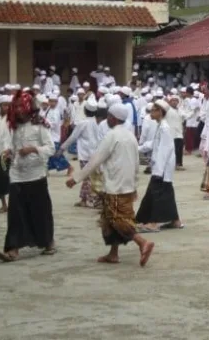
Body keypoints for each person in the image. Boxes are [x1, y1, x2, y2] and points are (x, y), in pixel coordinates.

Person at [66, 103, 154, 266]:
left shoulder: (111, 136)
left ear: (112, 118)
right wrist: (135, 185)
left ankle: (142, 242)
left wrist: (76, 178)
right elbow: (136, 164)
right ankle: (113, 254)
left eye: (108, 117)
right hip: (127, 185)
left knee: (117, 218)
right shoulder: (131, 136)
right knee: (108, 219)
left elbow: (95, 160)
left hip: (115, 185)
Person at [0, 90, 56, 262]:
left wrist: (33, 149)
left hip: (36, 175)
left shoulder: (40, 125)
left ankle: (48, 242)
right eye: (17, 108)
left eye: (22, 107)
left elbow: (50, 148)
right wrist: (9, 152)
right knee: (15, 213)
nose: (19, 111)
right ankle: (13, 249)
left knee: (41, 211)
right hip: (17, 175)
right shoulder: (13, 126)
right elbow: (12, 146)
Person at [136, 100, 184, 233]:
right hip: (161, 167)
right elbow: (153, 144)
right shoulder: (160, 126)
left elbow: (164, 150)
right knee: (167, 193)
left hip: (162, 168)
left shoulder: (164, 128)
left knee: (157, 193)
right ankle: (175, 220)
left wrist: (158, 170)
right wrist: (137, 148)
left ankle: (153, 222)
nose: (151, 112)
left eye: (153, 110)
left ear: (160, 112)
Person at [58, 99, 101, 208]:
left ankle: (90, 200)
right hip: (95, 153)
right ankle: (83, 199)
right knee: (87, 177)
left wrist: (62, 148)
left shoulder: (83, 123)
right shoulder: (97, 123)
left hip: (85, 154)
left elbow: (73, 137)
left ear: (85, 111)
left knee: (87, 178)